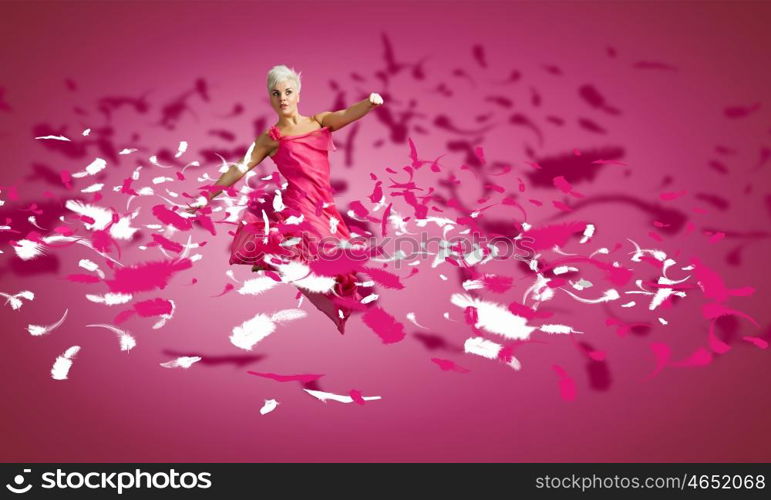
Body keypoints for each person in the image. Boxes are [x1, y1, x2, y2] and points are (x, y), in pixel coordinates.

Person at [185, 65, 384, 334]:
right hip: (298, 205)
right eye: (276, 93)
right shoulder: (270, 138)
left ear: (298, 95)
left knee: (338, 264)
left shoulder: (318, 122)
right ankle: (274, 256)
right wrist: (206, 196)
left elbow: (345, 115)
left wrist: (369, 104)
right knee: (314, 249)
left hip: (324, 204)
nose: (283, 98)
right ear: (271, 98)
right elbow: (239, 168)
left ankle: (276, 258)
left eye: (288, 92)